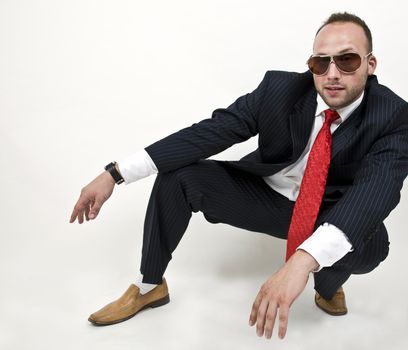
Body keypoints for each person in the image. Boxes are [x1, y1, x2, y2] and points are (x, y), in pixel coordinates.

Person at [70, 12, 408, 339]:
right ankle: (150, 286)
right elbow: (210, 132)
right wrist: (115, 173)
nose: (332, 73)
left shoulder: (394, 116)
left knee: (373, 244)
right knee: (180, 175)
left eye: (346, 60)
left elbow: (375, 191)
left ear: (370, 64)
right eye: (321, 62)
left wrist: (303, 261)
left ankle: (328, 284)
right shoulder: (280, 90)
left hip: (328, 212)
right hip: (267, 199)